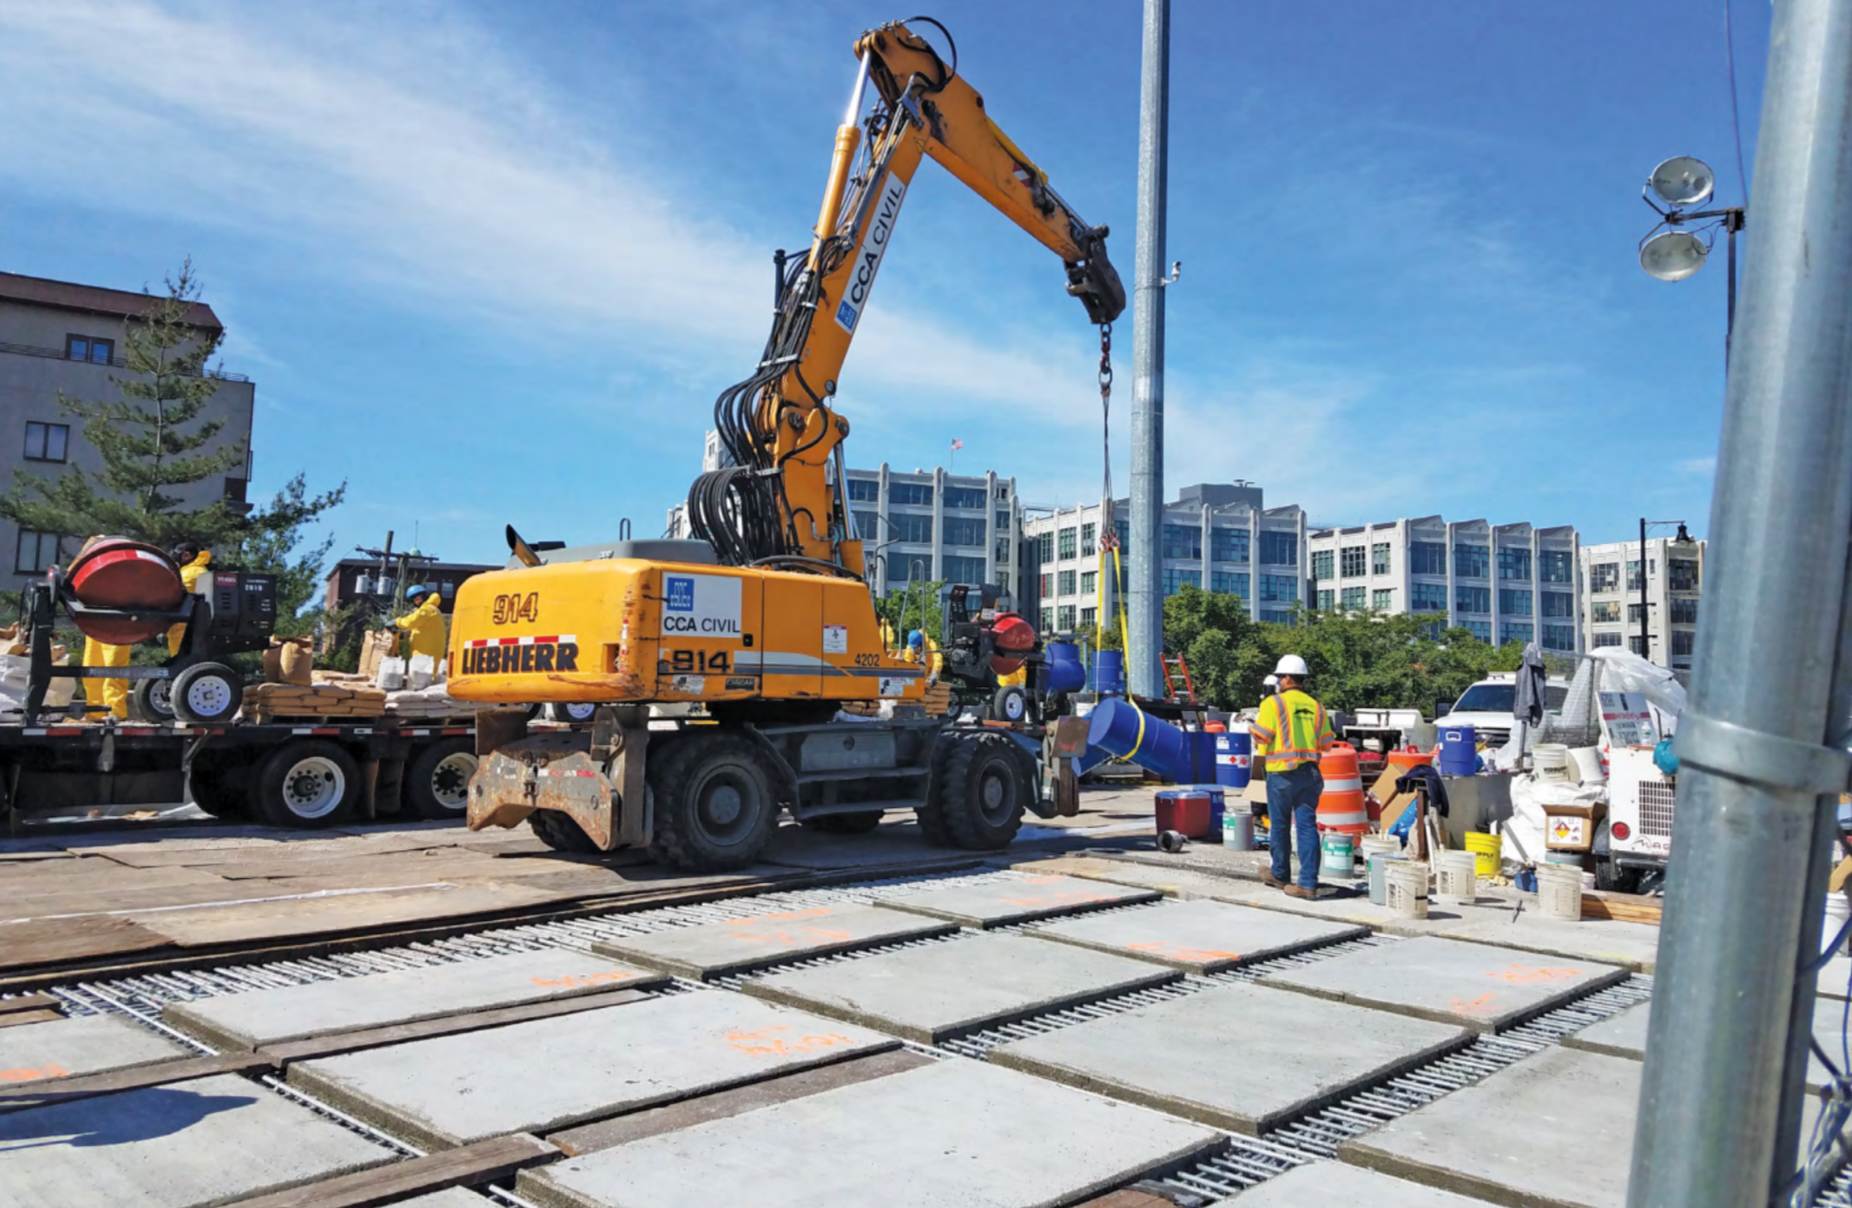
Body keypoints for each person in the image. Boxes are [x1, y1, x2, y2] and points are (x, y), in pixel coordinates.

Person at [1249, 654, 1335, 899]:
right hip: (1311, 774)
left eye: (1279, 678)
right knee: (1307, 827)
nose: (1278, 682)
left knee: (1280, 825)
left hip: (1282, 775)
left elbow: (1264, 736)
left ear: (1286, 678)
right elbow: (1327, 744)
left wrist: (1252, 728)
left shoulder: (1273, 703)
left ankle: (1280, 874)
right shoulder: (1317, 707)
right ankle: (1307, 883)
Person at [166, 541, 213, 657]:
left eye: (177, 554)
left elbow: (172, 593)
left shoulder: (191, 572)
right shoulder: (196, 570)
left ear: (187, 555)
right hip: (186, 625)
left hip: (183, 626)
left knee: (181, 663)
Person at [393, 585, 448, 664]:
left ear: (420, 598)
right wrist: (403, 634)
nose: (415, 603)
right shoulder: (432, 609)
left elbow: (411, 622)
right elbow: (419, 628)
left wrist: (397, 622)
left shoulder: (426, 610)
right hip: (427, 656)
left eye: (415, 600)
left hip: (425, 657)